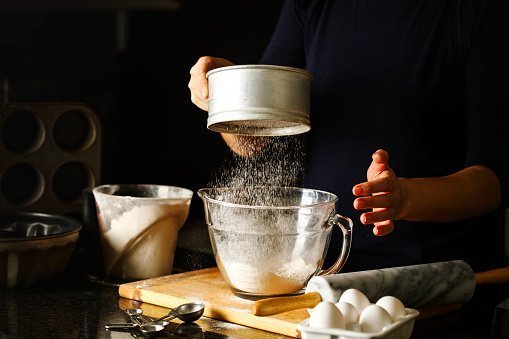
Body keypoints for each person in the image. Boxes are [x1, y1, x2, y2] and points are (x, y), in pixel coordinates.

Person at [188, 0, 508, 277]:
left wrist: (404, 198)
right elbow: (254, 142)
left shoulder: (479, 9)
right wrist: (231, 96)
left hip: (440, 284)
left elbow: (494, 181)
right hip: (320, 278)